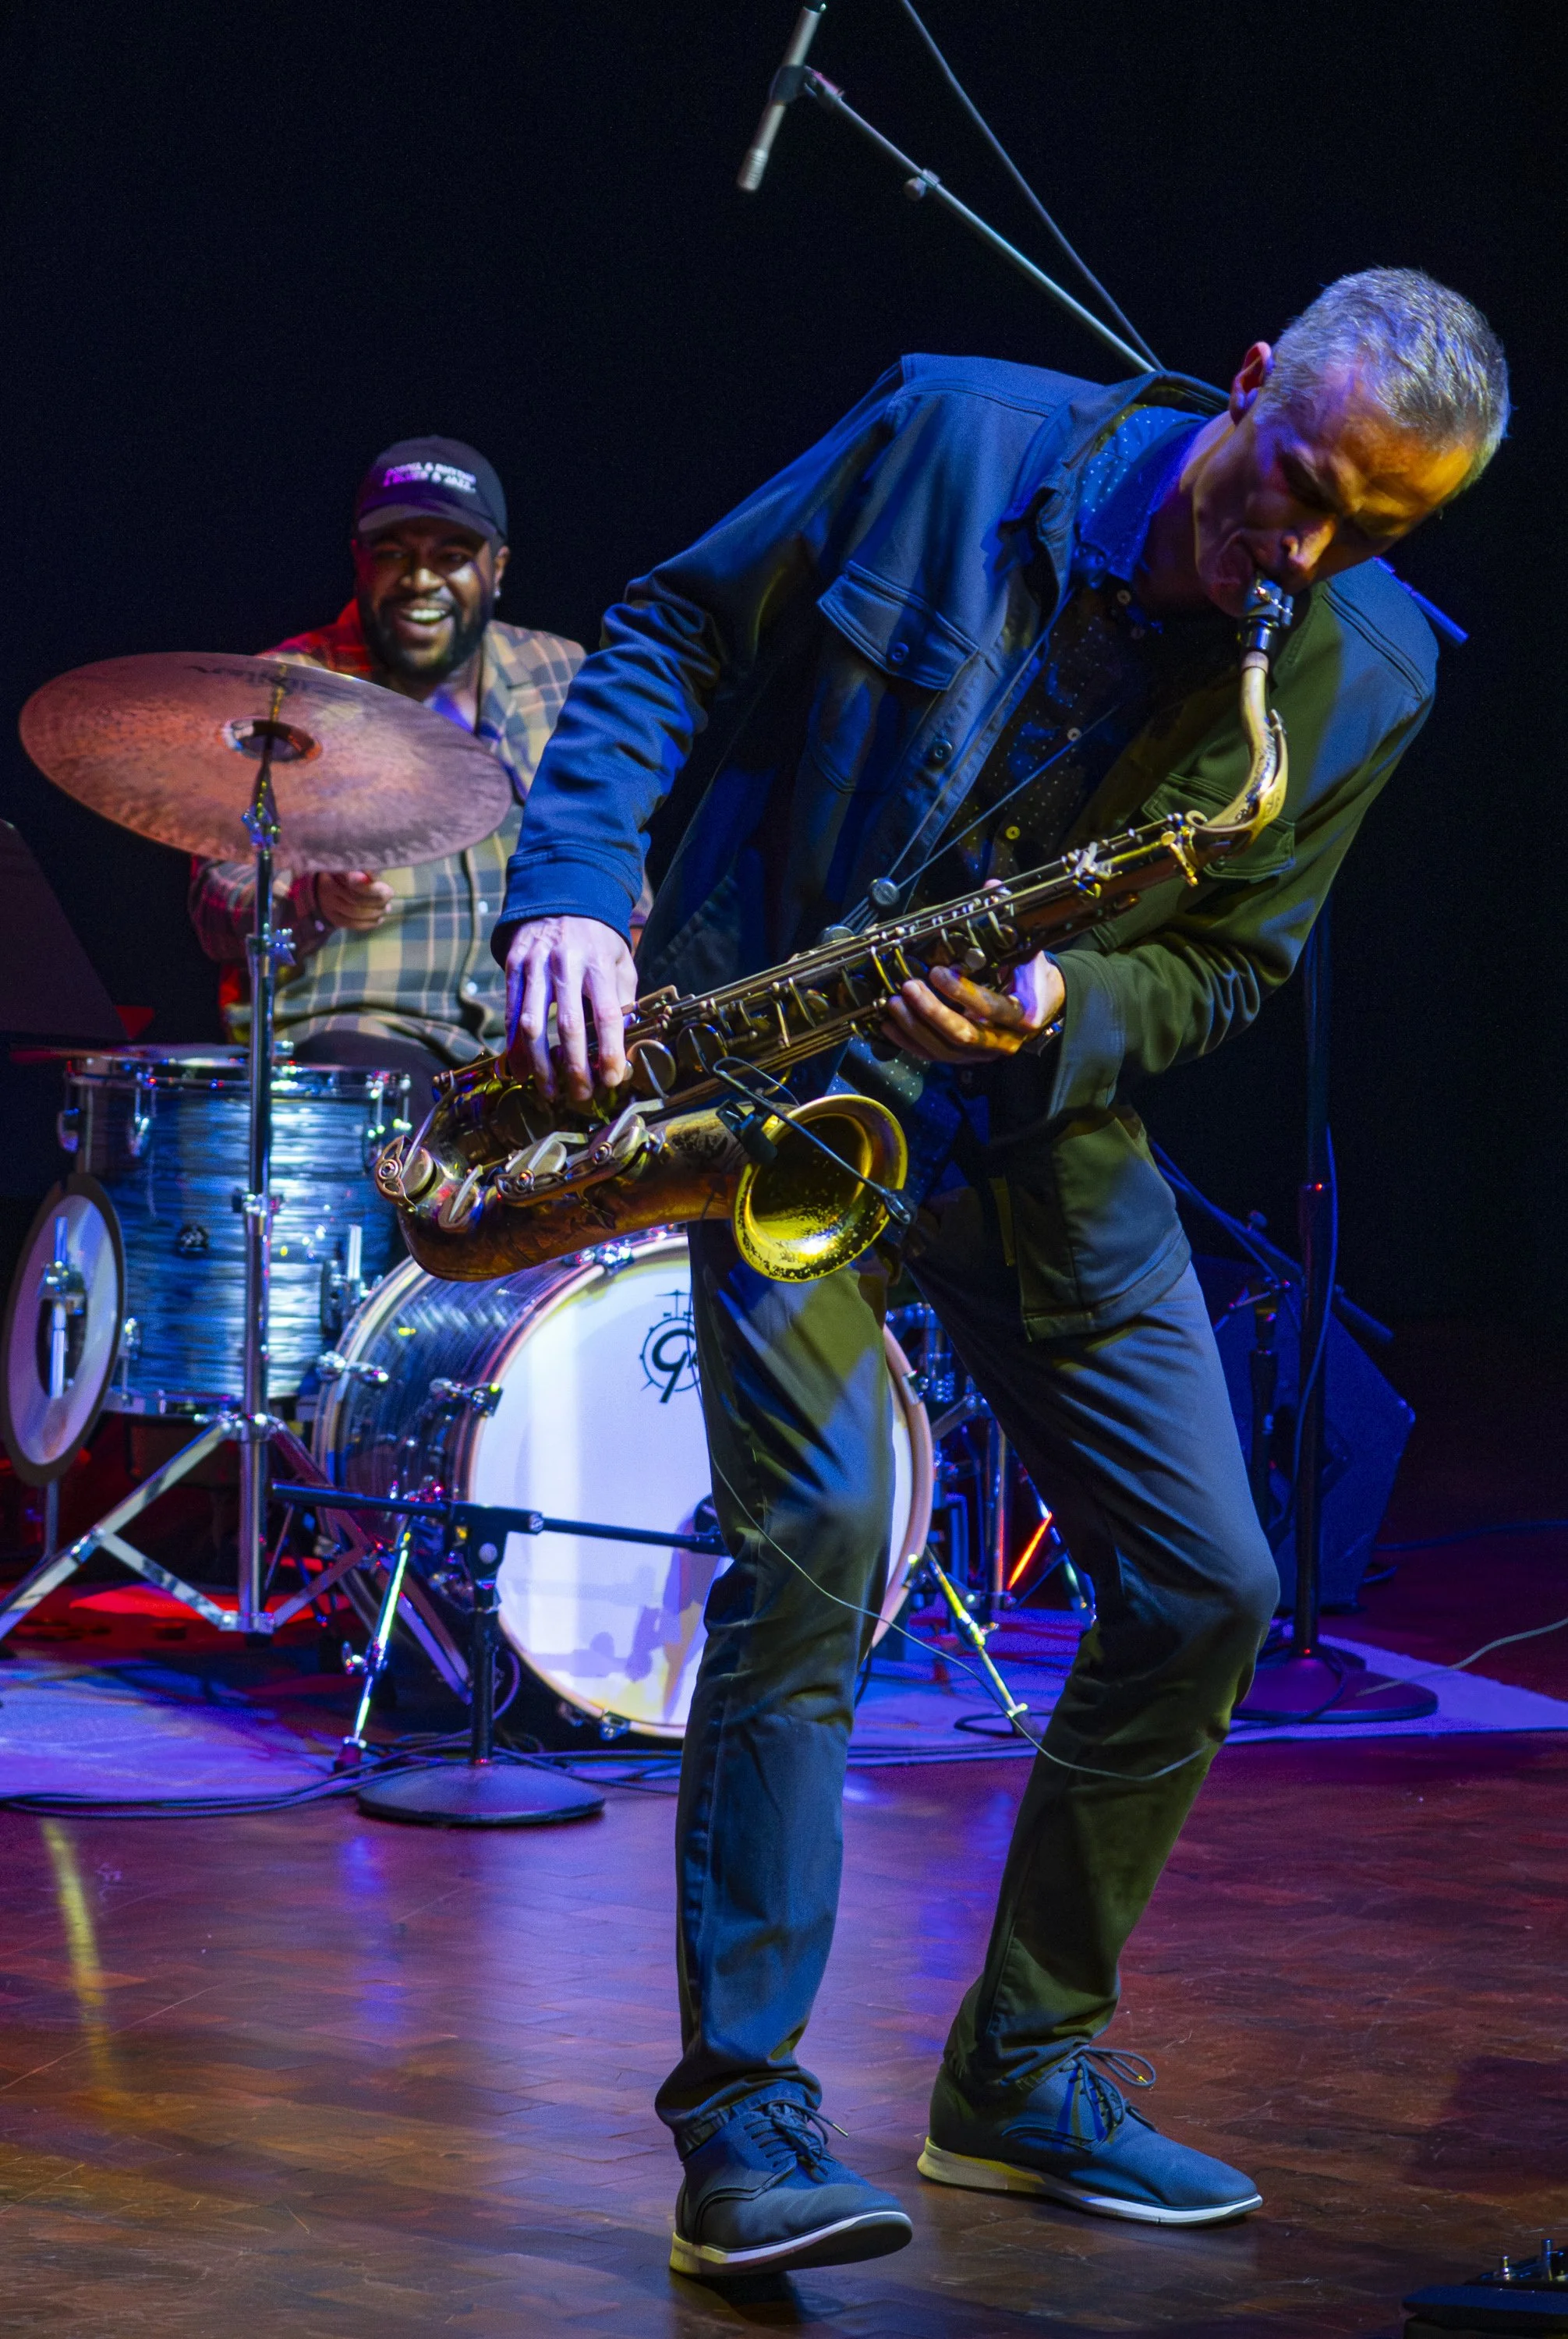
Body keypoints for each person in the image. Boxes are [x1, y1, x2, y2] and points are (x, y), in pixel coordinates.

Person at [496, 270, 1508, 2279]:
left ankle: (1022, 2071)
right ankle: (746, 2127)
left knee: (1213, 1580)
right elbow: (677, 624)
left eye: (1365, 531)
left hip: (1035, 1121)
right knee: (818, 1540)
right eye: (1289, 488)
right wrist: (573, 892)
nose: (1294, 556)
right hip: (776, 1087)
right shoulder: (954, 432)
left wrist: (1068, 1000)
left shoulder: (1358, 671)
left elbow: (1230, 958)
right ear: (1244, 386)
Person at [189, 437, 585, 1097]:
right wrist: (312, 899)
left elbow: (621, 876)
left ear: (499, 567)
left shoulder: (560, 674)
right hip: (360, 1041)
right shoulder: (279, 693)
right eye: (395, 553)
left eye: (452, 557)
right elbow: (215, 905)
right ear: (358, 561)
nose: (421, 580)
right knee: (396, 1109)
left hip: (532, 1040)